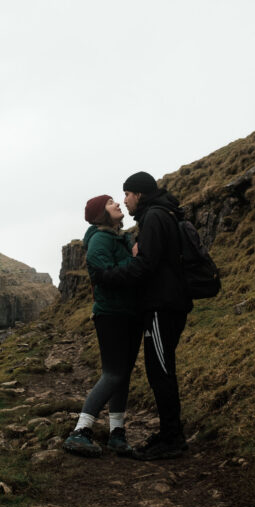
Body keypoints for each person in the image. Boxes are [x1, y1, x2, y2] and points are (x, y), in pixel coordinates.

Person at [90, 171, 193, 460]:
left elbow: (146, 265)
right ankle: (168, 433)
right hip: (166, 303)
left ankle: (172, 438)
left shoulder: (155, 217)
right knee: (159, 368)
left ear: (139, 194)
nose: (125, 200)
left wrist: (108, 276)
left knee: (160, 371)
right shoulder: (159, 214)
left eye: (127, 195)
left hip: (164, 305)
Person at [63, 194, 144, 458]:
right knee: (113, 373)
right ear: (101, 213)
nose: (118, 204)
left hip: (130, 313)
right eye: (111, 203)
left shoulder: (121, 237)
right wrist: (132, 260)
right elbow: (102, 273)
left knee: (123, 375)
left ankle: (117, 434)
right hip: (111, 314)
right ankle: (80, 431)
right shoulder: (99, 239)